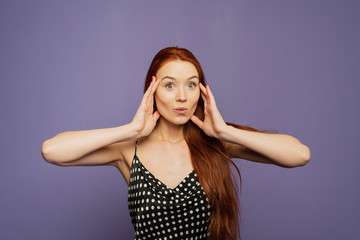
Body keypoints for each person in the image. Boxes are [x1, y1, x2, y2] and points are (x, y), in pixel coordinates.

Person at [41, 46, 311, 240]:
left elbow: (299, 155)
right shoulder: (128, 149)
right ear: (152, 90)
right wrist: (130, 129)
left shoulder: (218, 143)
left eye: (191, 85)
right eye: (170, 85)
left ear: (202, 92)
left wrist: (226, 132)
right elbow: (52, 151)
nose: (182, 96)